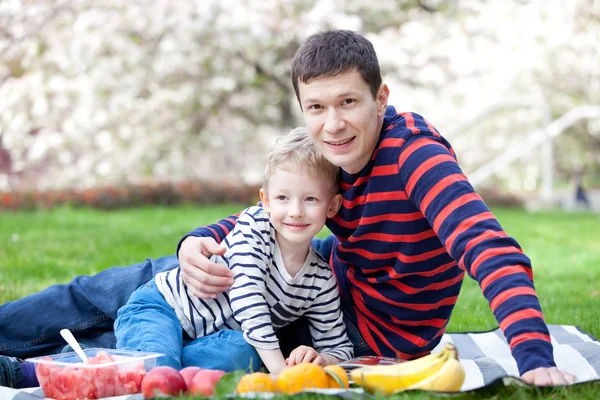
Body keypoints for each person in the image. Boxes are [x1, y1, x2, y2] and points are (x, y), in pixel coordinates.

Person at [0, 30, 574, 388]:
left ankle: (88, 370)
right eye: (316, 107)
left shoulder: (417, 161)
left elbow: (490, 249)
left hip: (353, 325)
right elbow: (283, 207)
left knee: (206, 341)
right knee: (151, 281)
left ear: (381, 98)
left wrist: (532, 353)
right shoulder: (337, 157)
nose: (332, 123)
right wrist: (195, 240)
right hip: (331, 273)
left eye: (349, 102)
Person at [114, 127, 353, 373]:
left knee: (245, 352)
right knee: (159, 369)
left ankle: (135, 362)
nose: (295, 211)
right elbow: (248, 300)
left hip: (213, 339)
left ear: (332, 206)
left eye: (310, 199)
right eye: (283, 198)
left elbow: (340, 348)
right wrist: (281, 373)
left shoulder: (320, 281)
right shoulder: (256, 226)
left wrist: (322, 360)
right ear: (267, 200)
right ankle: (141, 360)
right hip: (164, 308)